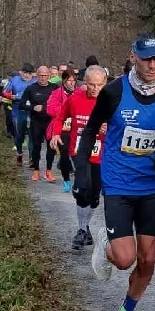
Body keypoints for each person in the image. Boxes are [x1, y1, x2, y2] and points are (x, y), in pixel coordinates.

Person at [75, 35, 155, 311]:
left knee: (148, 258)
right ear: (133, 57)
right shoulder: (113, 92)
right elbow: (89, 131)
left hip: (152, 185)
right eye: (146, 58)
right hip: (118, 184)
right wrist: (82, 172)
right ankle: (105, 242)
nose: (152, 65)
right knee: (125, 259)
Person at [58, 66, 108, 249]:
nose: (95, 89)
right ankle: (81, 230)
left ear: (105, 83)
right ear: (85, 82)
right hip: (79, 151)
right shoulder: (75, 99)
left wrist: (108, 127)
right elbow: (60, 117)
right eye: (91, 84)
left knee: (94, 196)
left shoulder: (111, 101)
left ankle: (85, 227)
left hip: (101, 154)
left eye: (99, 85)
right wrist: (55, 134)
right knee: (81, 189)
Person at [22, 66, 59, 182]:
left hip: (50, 121)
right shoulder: (31, 88)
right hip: (36, 121)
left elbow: (61, 103)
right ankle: (36, 170)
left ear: (49, 75)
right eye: (41, 76)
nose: (43, 78)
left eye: (45, 75)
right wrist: (33, 108)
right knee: (36, 146)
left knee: (51, 146)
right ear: (37, 76)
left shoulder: (54, 88)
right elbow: (21, 104)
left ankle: (48, 171)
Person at [46, 69, 77, 192]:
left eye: (73, 80)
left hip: (76, 128)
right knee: (64, 154)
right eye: (69, 80)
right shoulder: (56, 93)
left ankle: (79, 179)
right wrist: (66, 110)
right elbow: (50, 110)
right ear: (64, 81)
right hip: (61, 128)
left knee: (77, 154)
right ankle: (66, 180)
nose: (72, 83)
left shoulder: (80, 93)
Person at [5, 64, 36, 165]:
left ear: (33, 74)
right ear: (21, 72)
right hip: (17, 110)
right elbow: (5, 92)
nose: (27, 75)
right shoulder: (15, 80)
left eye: (29, 73)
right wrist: (11, 96)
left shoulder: (35, 81)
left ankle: (32, 158)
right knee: (19, 134)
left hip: (31, 111)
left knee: (32, 135)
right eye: (25, 73)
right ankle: (19, 153)